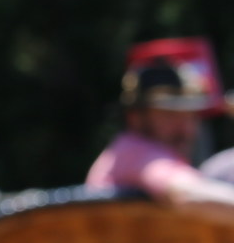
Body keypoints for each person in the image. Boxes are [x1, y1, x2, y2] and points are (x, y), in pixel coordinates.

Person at [87, 40, 234, 207]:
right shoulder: (135, 152)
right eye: (170, 115)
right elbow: (186, 193)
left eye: (191, 116)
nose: (186, 129)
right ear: (135, 117)